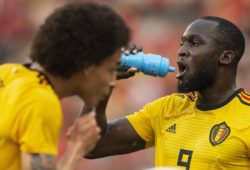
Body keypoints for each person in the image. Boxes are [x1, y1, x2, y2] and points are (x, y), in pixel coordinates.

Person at [85, 16, 250, 170]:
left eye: (195, 43)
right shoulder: (168, 108)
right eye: (182, 43)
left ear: (226, 57)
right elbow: (90, 146)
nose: (181, 51)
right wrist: (103, 85)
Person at [0, 2, 130, 170]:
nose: (113, 80)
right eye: (111, 69)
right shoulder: (41, 102)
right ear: (88, 66)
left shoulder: (7, 72)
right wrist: (77, 148)